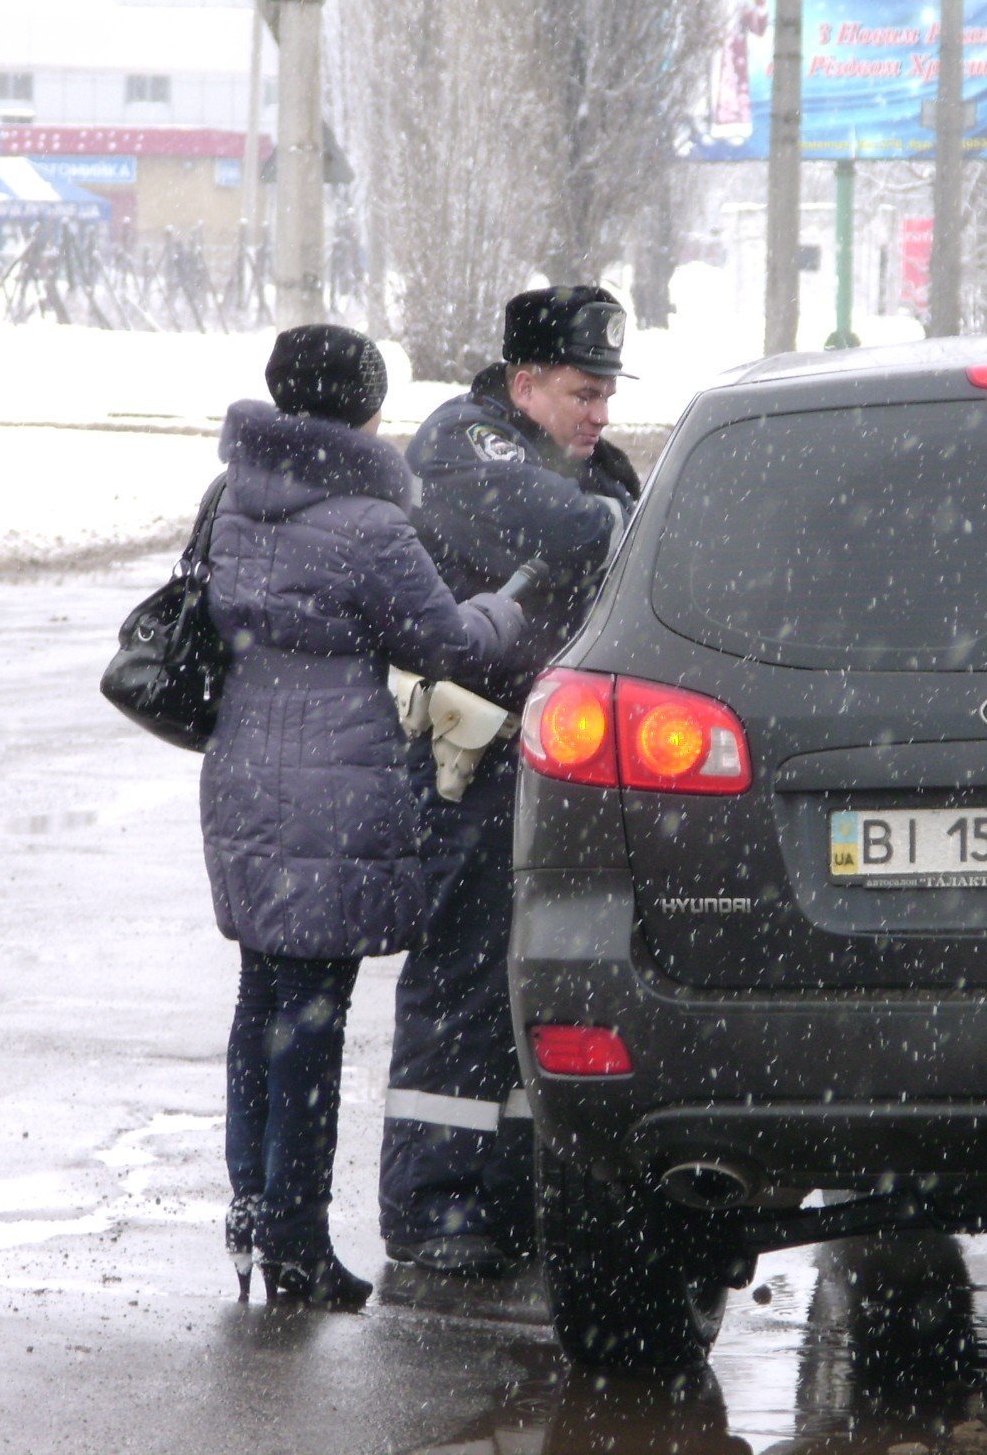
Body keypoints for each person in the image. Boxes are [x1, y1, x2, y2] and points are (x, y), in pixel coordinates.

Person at [202, 324, 526, 1309]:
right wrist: (510, 602)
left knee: (263, 999)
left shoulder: (230, 500)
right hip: (333, 780)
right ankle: (299, 1245)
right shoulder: (365, 524)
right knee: (310, 1015)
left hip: (241, 772)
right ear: (363, 409)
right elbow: (446, 642)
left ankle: (254, 1211)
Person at [380, 286, 642, 1276]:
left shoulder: (585, 467)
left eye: (607, 392)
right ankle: (434, 1209)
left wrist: (606, 519)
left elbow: (607, 533)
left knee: (542, 985)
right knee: (460, 985)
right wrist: (610, 522)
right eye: (582, 391)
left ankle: (515, 1196)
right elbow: (588, 537)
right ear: (522, 382)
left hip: (558, 771)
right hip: (469, 766)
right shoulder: (464, 443)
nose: (599, 413)